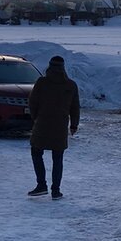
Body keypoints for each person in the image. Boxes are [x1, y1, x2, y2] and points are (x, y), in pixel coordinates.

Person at [28, 54, 79, 198]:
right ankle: (56, 190)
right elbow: (75, 107)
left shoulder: (42, 82)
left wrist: (36, 118)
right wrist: (74, 125)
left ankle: (41, 185)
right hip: (60, 126)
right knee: (58, 158)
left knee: (36, 152)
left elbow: (33, 102)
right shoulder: (70, 85)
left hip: (42, 124)